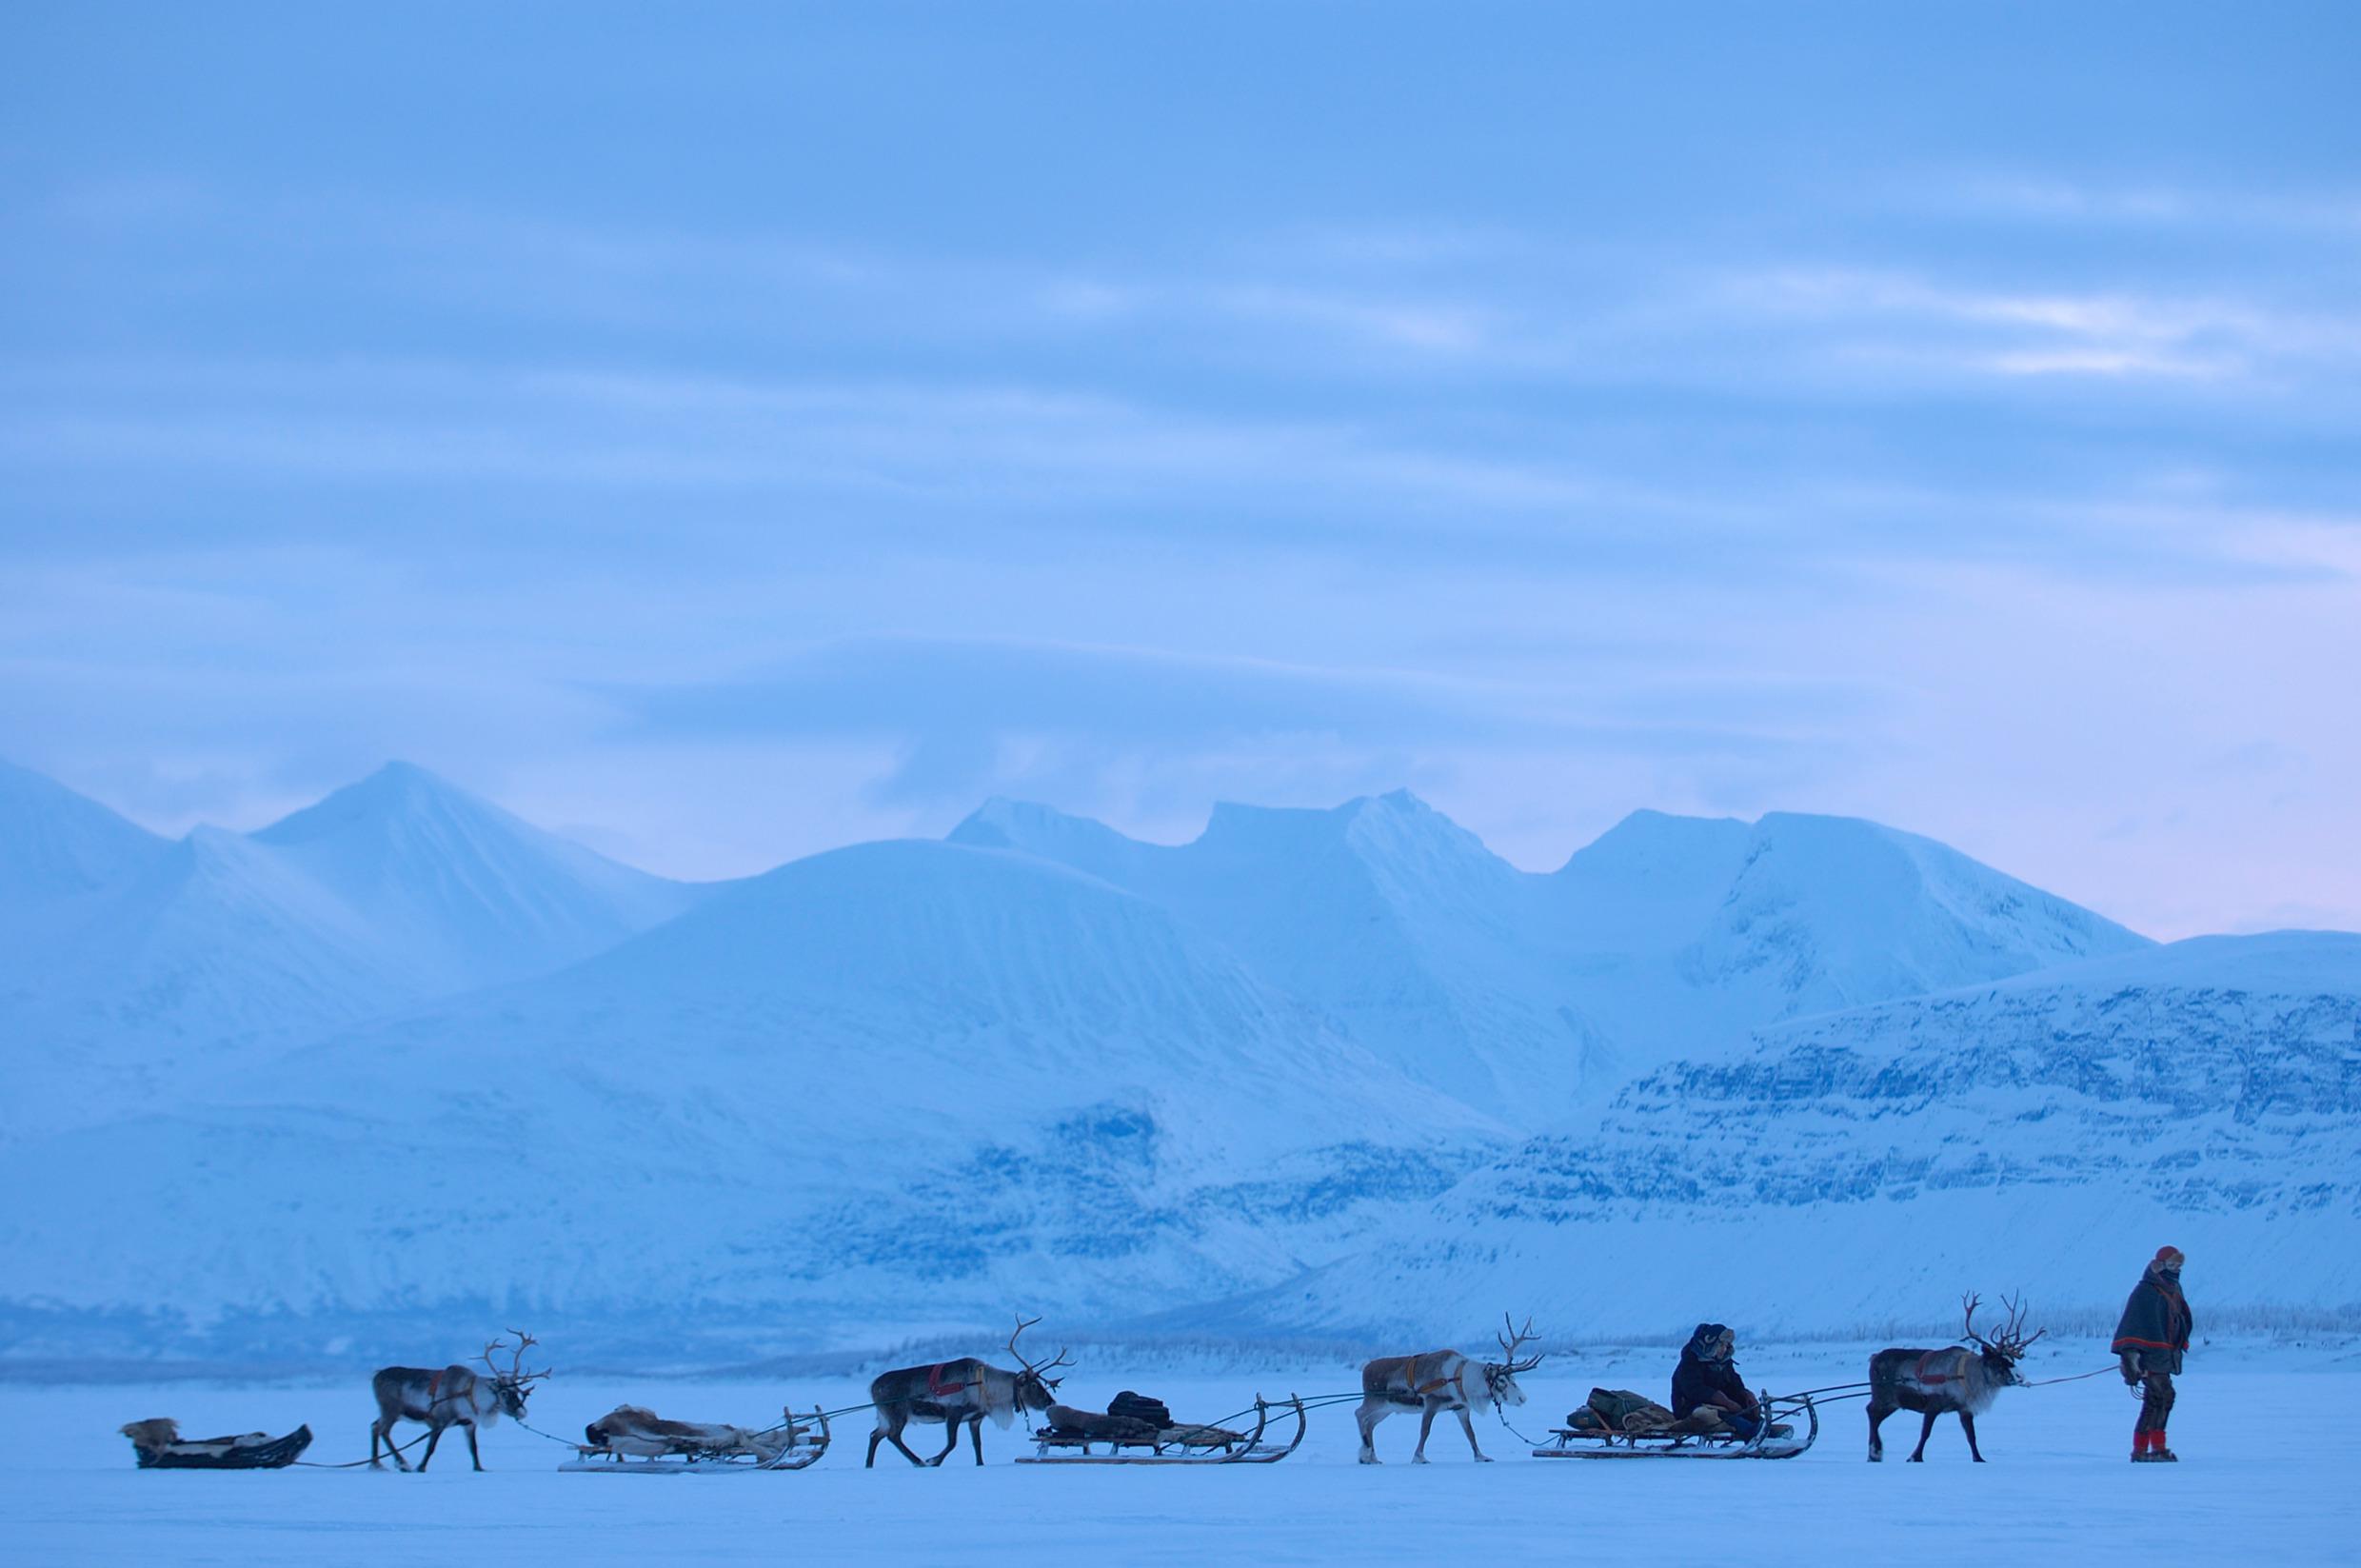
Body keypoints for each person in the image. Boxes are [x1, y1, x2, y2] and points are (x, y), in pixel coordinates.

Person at [2112, 1245, 2193, 1462]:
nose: (2176, 1269)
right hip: (2148, 1358)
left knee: (2157, 1400)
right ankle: (2151, 1449)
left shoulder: (2173, 1290)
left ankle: (2147, 1449)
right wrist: (2132, 1361)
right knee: (2162, 1397)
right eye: (2172, 1265)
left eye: (2179, 1265)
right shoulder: (2145, 1291)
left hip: (2163, 1357)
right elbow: (2132, 1327)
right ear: (2159, 1266)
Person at [1672, 1323, 1764, 1439]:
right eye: (1721, 1345)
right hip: (1690, 1409)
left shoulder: (1723, 1363)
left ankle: (1761, 1427)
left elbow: (1734, 1383)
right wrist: (1725, 1401)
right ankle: (1751, 1432)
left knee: (1745, 1409)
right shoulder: (1690, 1363)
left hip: (1719, 1405)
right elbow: (1695, 1390)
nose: (1724, 1349)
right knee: (1725, 1416)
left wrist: (1746, 1395)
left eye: (1726, 1345)